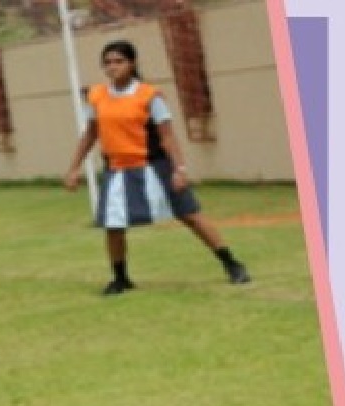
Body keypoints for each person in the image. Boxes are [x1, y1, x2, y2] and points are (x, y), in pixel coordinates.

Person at [63, 39, 251, 296]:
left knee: (190, 215)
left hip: (154, 166)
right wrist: (74, 168)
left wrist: (179, 169)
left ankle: (232, 264)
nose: (112, 67)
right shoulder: (97, 96)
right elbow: (90, 135)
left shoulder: (149, 96)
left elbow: (167, 136)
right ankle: (120, 278)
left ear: (132, 64)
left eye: (119, 61)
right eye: (107, 62)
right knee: (114, 225)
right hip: (117, 169)